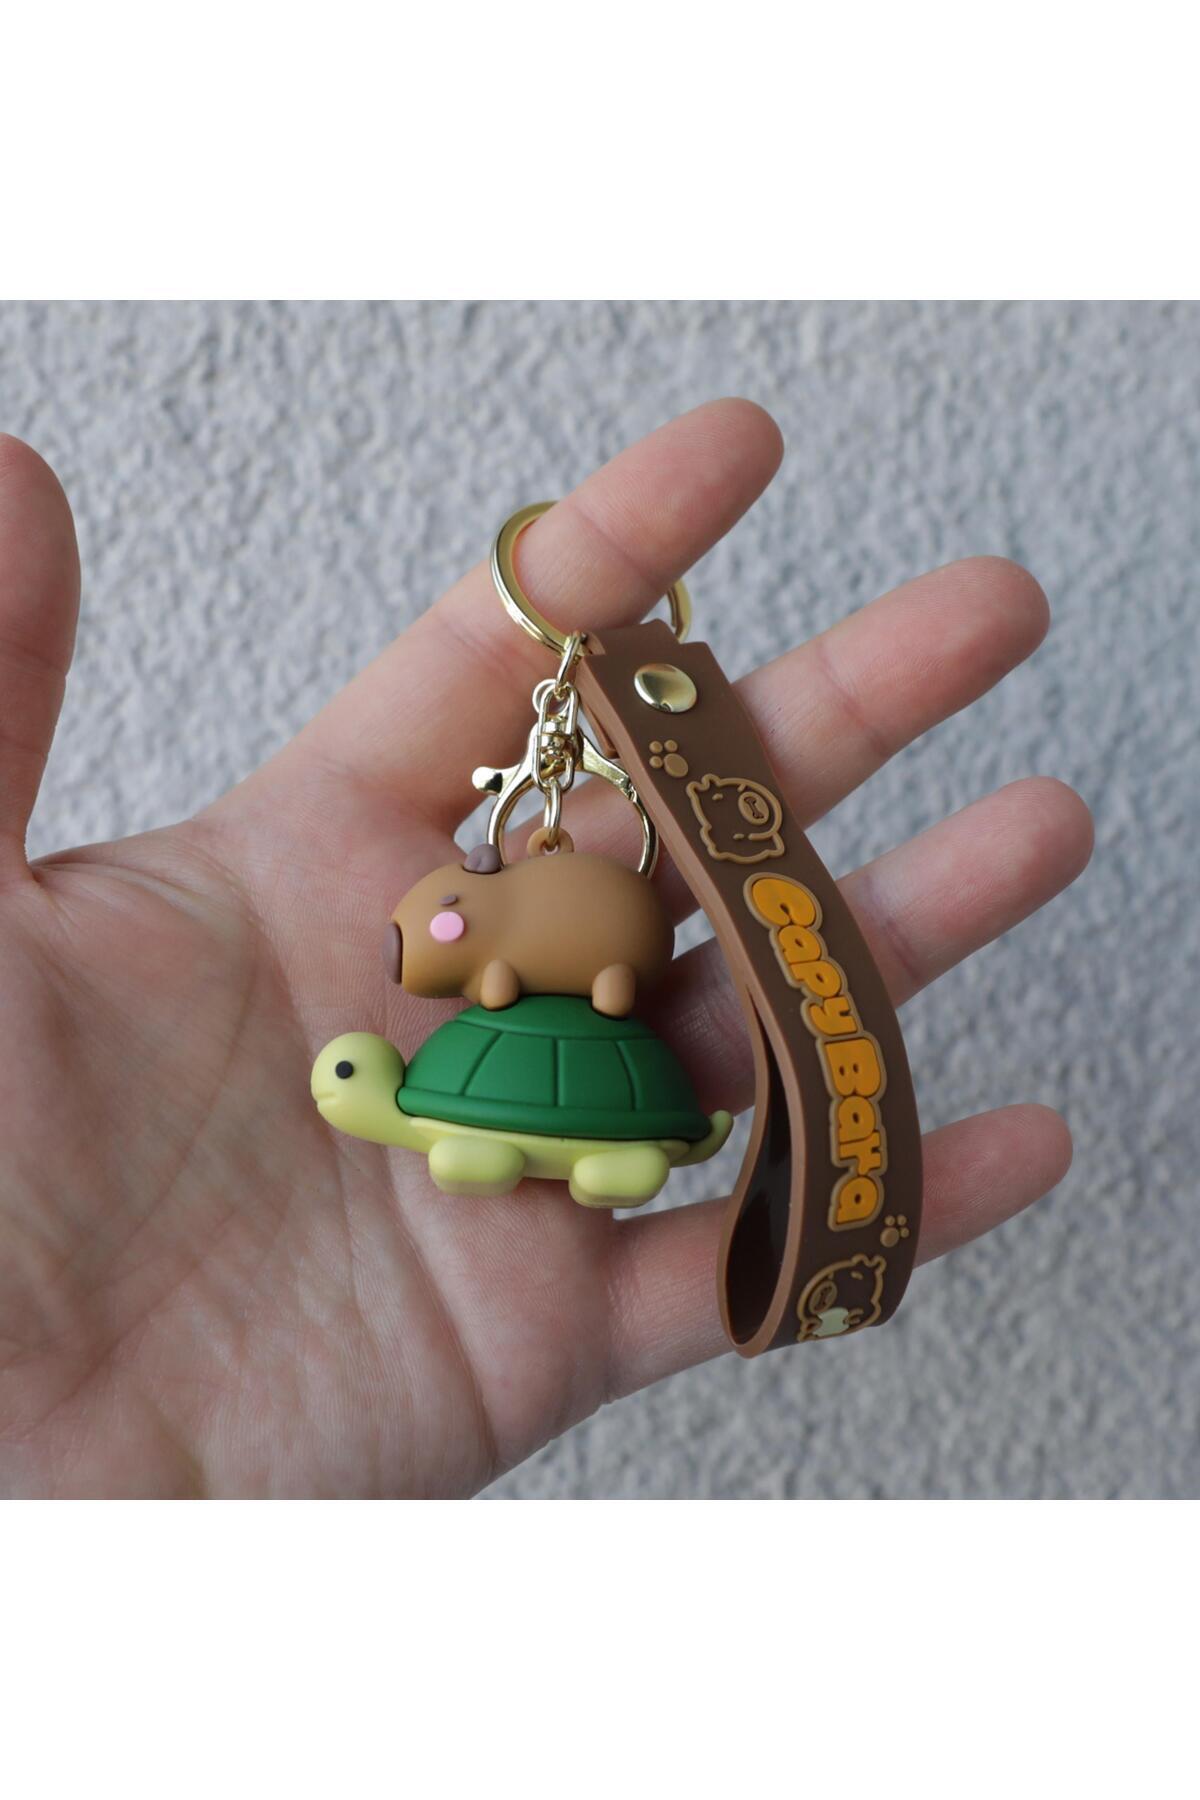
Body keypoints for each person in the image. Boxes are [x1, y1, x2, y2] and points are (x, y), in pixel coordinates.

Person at [0, 400, 1092, 1498]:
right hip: (559, 1061)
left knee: (520, 1136)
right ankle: (618, 1142)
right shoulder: (483, 953)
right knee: (495, 1141)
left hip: (591, 1045)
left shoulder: (503, 950)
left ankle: (623, 1142)